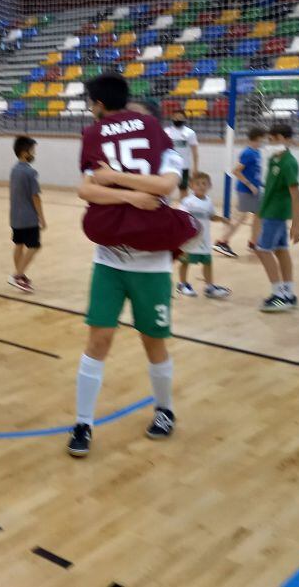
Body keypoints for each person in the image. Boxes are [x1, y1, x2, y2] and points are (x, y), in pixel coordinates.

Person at [69, 73, 185, 459]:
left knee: (153, 341)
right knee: (97, 340)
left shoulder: (167, 147)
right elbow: (87, 190)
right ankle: (83, 422)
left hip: (151, 265)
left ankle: (165, 409)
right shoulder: (124, 136)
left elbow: (168, 187)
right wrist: (134, 196)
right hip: (110, 260)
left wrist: (114, 179)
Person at [256, 123, 299, 312]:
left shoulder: (289, 163)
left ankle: (278, 294)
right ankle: (289, 293)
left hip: (277, 214)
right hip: (269, 211)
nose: (271, 142)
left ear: (287, 139)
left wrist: (296, 225)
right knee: (281, 250)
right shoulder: (274, 159)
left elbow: (295, 194)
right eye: (270, 139)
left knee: (263, 250)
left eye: (275, 139)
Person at [176, 172, 231, 299]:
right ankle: (182, 284)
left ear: (209, 186)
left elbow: (211, 216)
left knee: (208, 263)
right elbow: (181, 216)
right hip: (190, 240)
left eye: (204, 184)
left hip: (204, 240)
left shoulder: (209, 202)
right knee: (185, 262)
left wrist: (222, 219)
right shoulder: (187, 202)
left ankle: (209, 287)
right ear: (191, 185)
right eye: (198, 184)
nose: (201, 186)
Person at [214, 127, 265, 257]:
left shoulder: (257, 152)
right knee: (240, 217)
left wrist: (261, 184)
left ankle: (254, 242)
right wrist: (249, 185)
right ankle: (222, 242)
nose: (264, 141)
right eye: (263, 139)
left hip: (255, 190)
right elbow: (236, 171)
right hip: (246, 191)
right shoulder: (248, 153)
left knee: (259, 216)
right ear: (258, 138)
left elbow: (255, 173)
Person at [8, 135, 44, 293]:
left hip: (15, 217)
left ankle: (20, 276)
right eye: (32, 150)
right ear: (24, 152)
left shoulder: (14, 170)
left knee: (19, 245)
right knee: (35, 246)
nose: (34, 153)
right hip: (29, 218)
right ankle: (17, 275)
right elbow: (35, 197)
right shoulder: (30, 172)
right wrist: (41, 218)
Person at [164, 111, 199, 197]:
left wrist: (195, 167)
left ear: (184, 119)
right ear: (172, 118)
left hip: (183, 167)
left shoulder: (190, 133)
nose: (178, 119)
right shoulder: (166, 132)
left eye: (180, 117)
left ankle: (183, 208)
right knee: (165, 190)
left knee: (183, 190)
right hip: (169, 166)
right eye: (176, 117)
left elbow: (195, 152)